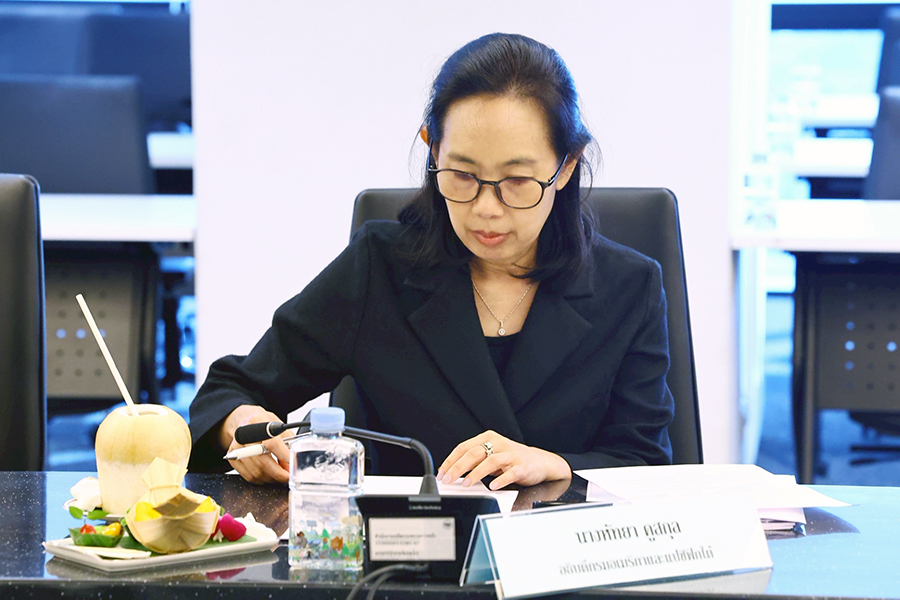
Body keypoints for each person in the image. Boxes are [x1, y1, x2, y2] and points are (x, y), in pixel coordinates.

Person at [188, 32, 674, 490]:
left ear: (566, 165)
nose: (486, 208)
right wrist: (243, 426)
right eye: (462, 174)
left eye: (517, 181)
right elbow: (229, 390)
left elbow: (648, 464)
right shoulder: (380, 267)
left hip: (560, 548)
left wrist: (556, 465)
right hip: (401, 546)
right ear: (433, 148)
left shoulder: (630, 288)